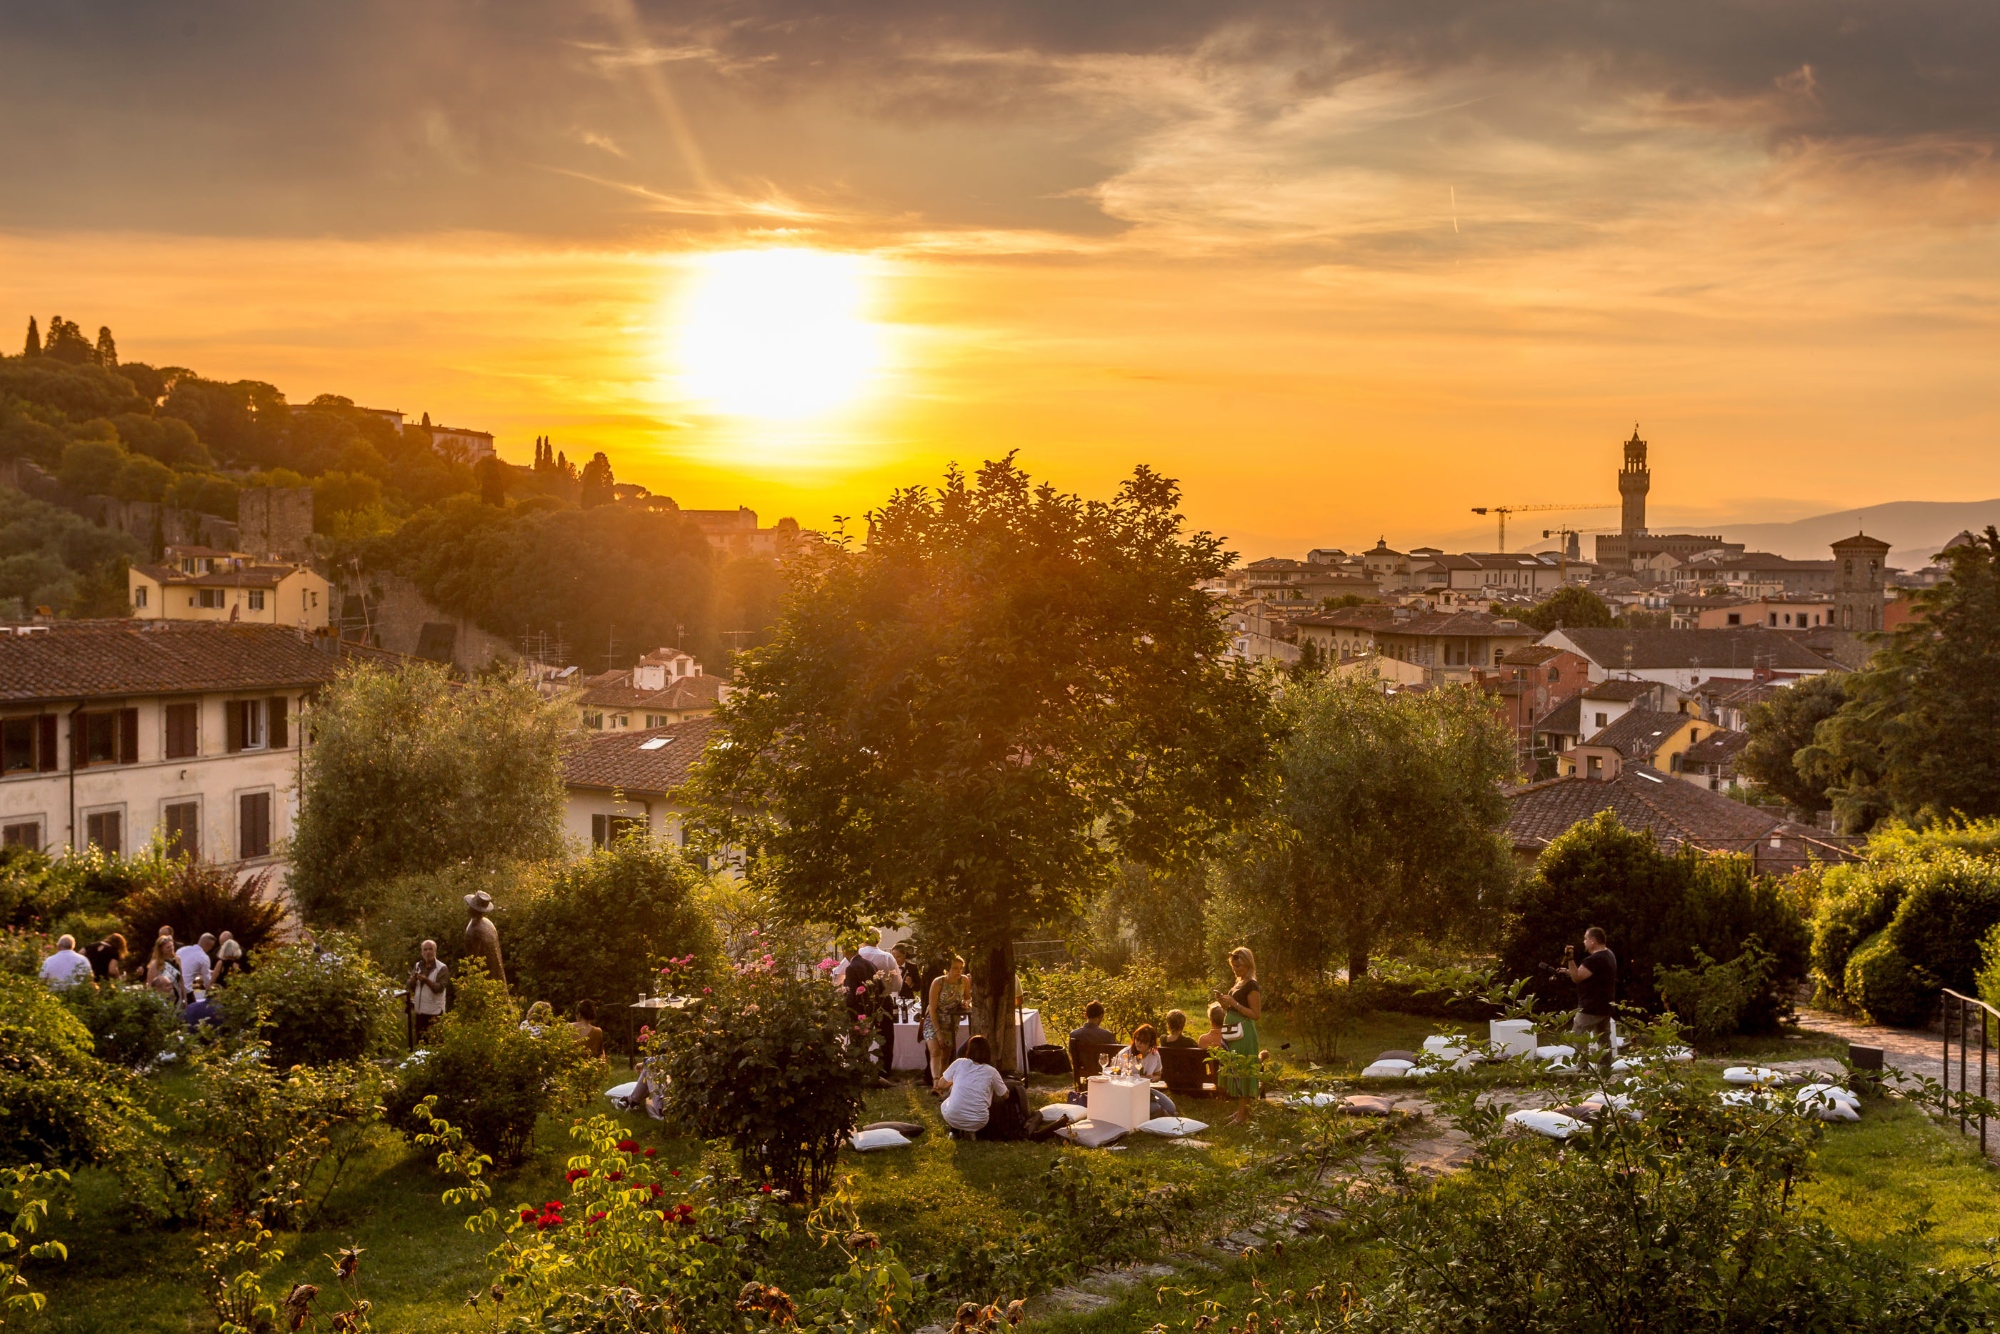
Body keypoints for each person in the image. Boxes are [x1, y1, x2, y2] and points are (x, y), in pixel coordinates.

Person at [936, 1034, 1020, 1140]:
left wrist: (956, 1080)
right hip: (979, 1121)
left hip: (952, 1116)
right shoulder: (991, 1072)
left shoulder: (959, 1063)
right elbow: (1005, 1095)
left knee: (951, 1094)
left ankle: (954, 1131)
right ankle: (974, 1130)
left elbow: (941, 1084)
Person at [1214, 946, 1263, 1121]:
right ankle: (1243, 1111)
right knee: (1235, 1069)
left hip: (1244, 1033)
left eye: (1239, 967)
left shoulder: (1252, 985)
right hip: (1232, 1033)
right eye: (1233, 966)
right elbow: (1233, 1006)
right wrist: (1224, 1003)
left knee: (1243, 1071)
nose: (1235, 970)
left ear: (1249, 965)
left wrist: (1234, 1004)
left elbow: (1255, 1015)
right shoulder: (1239, 982)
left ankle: (1242, 1115)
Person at [1562, 926, 1618, 1060]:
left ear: (1592, 940)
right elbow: (1590, 974)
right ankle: (1605, 1071)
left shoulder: (1594, 959)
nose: (1583, 942)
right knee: (1604, 1041)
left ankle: (1583, 1071)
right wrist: (1568, 971)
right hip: (1605, 1006)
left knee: (1578, 1039)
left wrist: (1570, 959)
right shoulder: (1609, 954)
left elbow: (1577, 977)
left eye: (1585, 938)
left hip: (1590, 1008)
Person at [1112, 1024, 1178, 1119]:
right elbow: (1115, 1076)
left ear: (1151, 1042)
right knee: (1155, 1108)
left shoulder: (1154, 1054)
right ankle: (1162, 1116)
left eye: (1143, 1041)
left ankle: (1163, 1115)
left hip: (1145, 1090)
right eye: (1137, 1039)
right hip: (1127, 1092)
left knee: (1171, 1107)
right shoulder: (1125, 1054)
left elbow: (1158, 1074)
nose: (1139, 1043)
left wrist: (1154, 1078)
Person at [857, 937, 901, 1077]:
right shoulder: (887, 957)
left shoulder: (856, 955)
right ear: (879, 940)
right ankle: (884, 1069)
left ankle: (860, 1064)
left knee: (860, 1032)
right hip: (882, 999)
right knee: (886, 1035)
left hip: (861, 1000)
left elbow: (839, 974)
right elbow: (897, 984)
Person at [924, 954, 972, 1081]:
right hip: (934, 1020)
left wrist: (966, 1002)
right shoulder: (938, 982)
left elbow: (968, 997)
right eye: (955, 968)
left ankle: (941, 1083)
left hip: (951, 1021)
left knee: (946, 1056)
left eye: (961, 968)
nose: (959, 971)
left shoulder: (964, 980)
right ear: (948, 969)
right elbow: (932, 1009)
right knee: (935, 1051)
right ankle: (935, 1082)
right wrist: (938, 1032)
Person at [408, 939, 448, 1043]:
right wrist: (414, 979)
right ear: (422, 952)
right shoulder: (418, 966)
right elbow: (410, 986)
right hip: (420, 1012)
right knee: (421, 1045)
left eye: (430, 949)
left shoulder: (442, 968)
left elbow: (438, 988)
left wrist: (425, 980)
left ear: (435, 951)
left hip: (434, 1013)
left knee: (435, 1043)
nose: (428, 952)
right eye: (425, 949)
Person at [145, 936, 184, 1004]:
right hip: (163, 999)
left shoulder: (177, 959)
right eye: (168, 947)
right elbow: (150, 985)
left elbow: (181, 980)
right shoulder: (155, 964)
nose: (171, 948)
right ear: (161, 949)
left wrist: (185, 998)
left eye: (172, 946)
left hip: (178, 996)